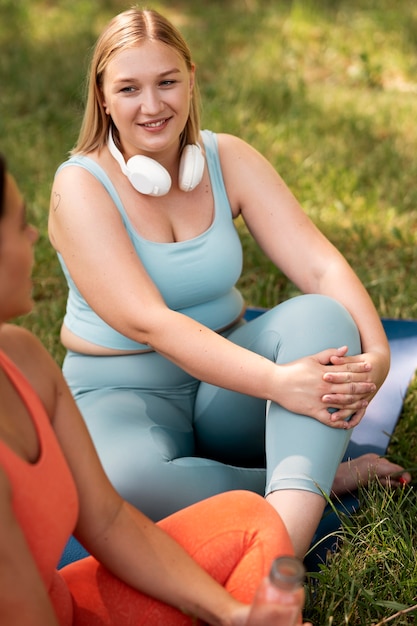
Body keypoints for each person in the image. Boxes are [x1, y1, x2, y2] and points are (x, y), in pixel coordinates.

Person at [48, 7, 409, 560]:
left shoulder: (227, 158)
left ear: (191, 79)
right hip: (122, 393)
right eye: (129, 88)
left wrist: (378, 354)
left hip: (228, 385)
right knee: (124, 485)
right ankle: (317, 481)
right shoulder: (79, 187)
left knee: (325, 319)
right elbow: (152, 322)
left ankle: (275, 558)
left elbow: (319, 266)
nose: (152, 105)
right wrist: (277, 382)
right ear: (102, 97)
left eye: (167, 82)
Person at [0, 152, 318, 626]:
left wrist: (231, 613)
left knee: (251, 522)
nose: (33, 236)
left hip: (67, 605)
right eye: (20, 223)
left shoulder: (23, 357)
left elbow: (108, 520)